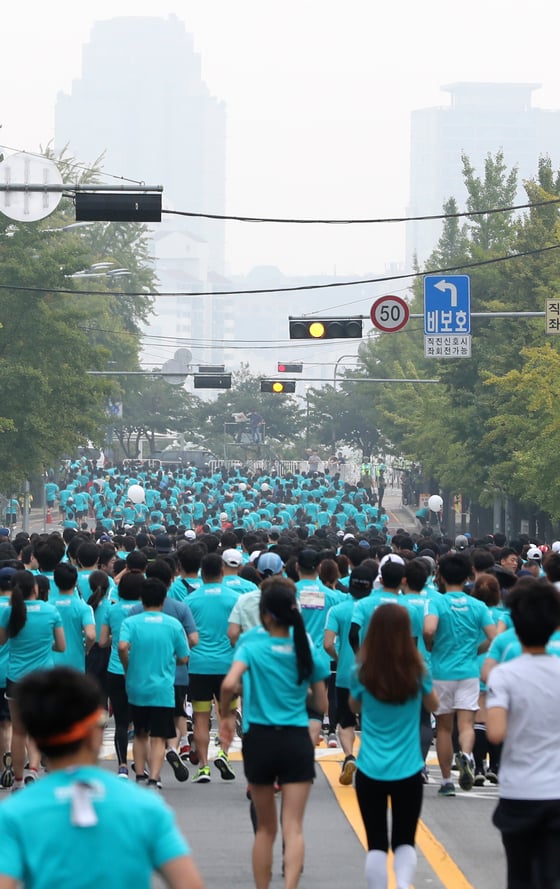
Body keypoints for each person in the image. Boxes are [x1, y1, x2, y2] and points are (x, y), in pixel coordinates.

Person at [0, 667, 203, 889]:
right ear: (94, 734)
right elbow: (188, 884)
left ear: (36, 738)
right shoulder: (145, 806)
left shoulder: (14, 814)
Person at [219, 577, 329, 889]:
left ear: (265, 613)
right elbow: (320, 701)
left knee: (265, 829)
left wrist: (227, 716)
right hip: (295, 738)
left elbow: (229, 684)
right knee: (293, 826)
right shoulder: (304, 643)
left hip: (260, 738)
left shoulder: (251, 642)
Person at [349, 603, 438, 889]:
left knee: (376, 843)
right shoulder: (417, 672)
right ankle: (402, 885)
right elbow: (434, 705)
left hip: (370, 767)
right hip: (409, 767)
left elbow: (354, 706)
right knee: (405, 839)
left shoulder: (362, 672)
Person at [487, 578, 560, 889]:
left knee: (518, 877)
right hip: (557, 791)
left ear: (513, 622)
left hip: (519, 790)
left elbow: (495, 732)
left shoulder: (504, 674)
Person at [423, 552, 496, 796]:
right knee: (467, 724)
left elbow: (429, 628)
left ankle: (446, 782)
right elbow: (493, 636)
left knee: (444, 727)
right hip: (468, 672)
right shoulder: (478, 605)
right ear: (468, 576)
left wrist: (430, 643)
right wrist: (477, 650)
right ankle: (466, 755)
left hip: (442, 672)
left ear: (440, 576)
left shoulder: (437, 602)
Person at [118, 578, 189, 790]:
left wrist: (127, 665)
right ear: (163, 599)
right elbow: (184, 658)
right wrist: (169, 659)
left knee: (140, 733)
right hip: (163, 689)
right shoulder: (173, 624)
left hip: (136, 686)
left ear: (142, 599)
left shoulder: (131, 622)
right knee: (159, 737)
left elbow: (122, 646)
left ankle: (140, 774)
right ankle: (155, 777)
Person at [0, 570, 66, 789]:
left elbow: (2, 641)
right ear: (35, 588)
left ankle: (18, 780)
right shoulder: (51, 611)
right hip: (44, 677)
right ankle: (34, 770)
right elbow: (61, 646)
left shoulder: (9, 612)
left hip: (16, 677)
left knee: (18, 731)